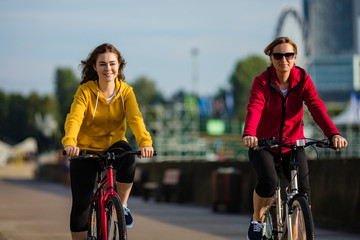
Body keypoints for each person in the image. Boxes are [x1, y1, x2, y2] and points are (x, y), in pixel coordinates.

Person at [242, 37, 347, 240]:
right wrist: (250, 134)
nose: (284, 59)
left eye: (289, 55)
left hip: (293, 143)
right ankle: (257, 219)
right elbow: (255, 107)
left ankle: (301, 230)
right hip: (263, 144)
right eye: (278, 55)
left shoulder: (303, 80)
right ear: (271, 58)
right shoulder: (262, 82)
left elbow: (316, 107)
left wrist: (333, 133)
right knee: (270, 181)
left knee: (304, 190)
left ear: (295, 57)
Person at [62, 43, 154, 240]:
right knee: (81, 206)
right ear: (94, 67)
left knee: (128, 153)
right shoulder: (85, 91)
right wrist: (70, 142)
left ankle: (122, 205)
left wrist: (146, 143)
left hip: (113, 146)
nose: (108, 68)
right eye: (102, 64)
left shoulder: (126, 92)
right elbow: (74, 118)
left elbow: (136, 119)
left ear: (119, 66)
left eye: (112, 63)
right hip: (84, 150)